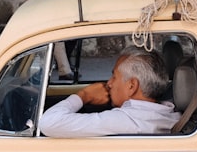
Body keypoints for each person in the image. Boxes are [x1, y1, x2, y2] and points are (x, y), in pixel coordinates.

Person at [39, 49, 181, 137]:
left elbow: (48, 123)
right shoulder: (170, 111)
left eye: (114, 77)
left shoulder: (125, 120)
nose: (109, 83)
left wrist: (84, 95)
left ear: (132, 86)